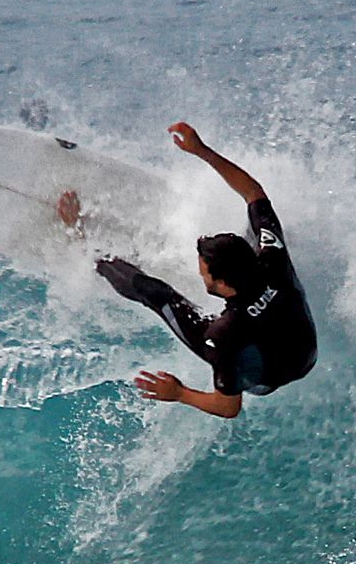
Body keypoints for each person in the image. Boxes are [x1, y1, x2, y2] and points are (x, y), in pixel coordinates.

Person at [93, 122, 317, 420]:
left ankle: (93, 253)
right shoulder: (272, 257)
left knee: (157, 294)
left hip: (267, 377)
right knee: (255, 226)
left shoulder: (223, 334)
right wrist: (202, 151)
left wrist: (179, 393)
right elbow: (253, 192)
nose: (200, 275)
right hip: (308, 352)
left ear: (223, 284)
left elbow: (229, 407)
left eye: (204, 273)